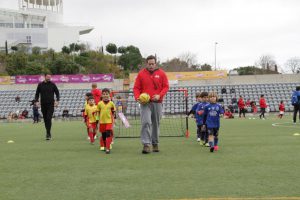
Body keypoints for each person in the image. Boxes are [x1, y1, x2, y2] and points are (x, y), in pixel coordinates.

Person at [133, 55, 169, 154]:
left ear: (155, 63)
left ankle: (155, 143)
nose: (151, 65)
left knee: (156, 124)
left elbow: (166, 87)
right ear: (147, 64)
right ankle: (146, 144)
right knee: (146, 122)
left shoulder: (162, 74)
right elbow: (136, 88)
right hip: (145, 104)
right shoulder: (141, 74)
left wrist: (159, 95)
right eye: (149, 64)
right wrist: (138, 97)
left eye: (153, 64)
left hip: (157, 102)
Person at [35, 73, 60, 140]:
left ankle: (48, 134)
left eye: (50, 77)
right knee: (45, 119)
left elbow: (57, 93)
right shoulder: (40, 84)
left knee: (49, 118)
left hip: (51, 104)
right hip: (43, 104)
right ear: (45, 77)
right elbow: (37, 94)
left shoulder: (53, 84)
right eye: (48, 77)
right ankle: (48, 132)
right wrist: (36, 101)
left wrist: (57, 101)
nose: (49, 78)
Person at [97, 88, 116, 154]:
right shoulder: (99, 104)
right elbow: (97, 113)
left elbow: (114, 112)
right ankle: (105, 146)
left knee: (108, 133)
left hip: (109, 121)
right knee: (104, 135)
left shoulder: (111, 103)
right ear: (102, 95)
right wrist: (97, 121)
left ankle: (108, 148)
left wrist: (114, 120)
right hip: (102, 122)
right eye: (104, 94)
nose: (105, 95)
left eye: (107, 94)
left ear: (109, 95)